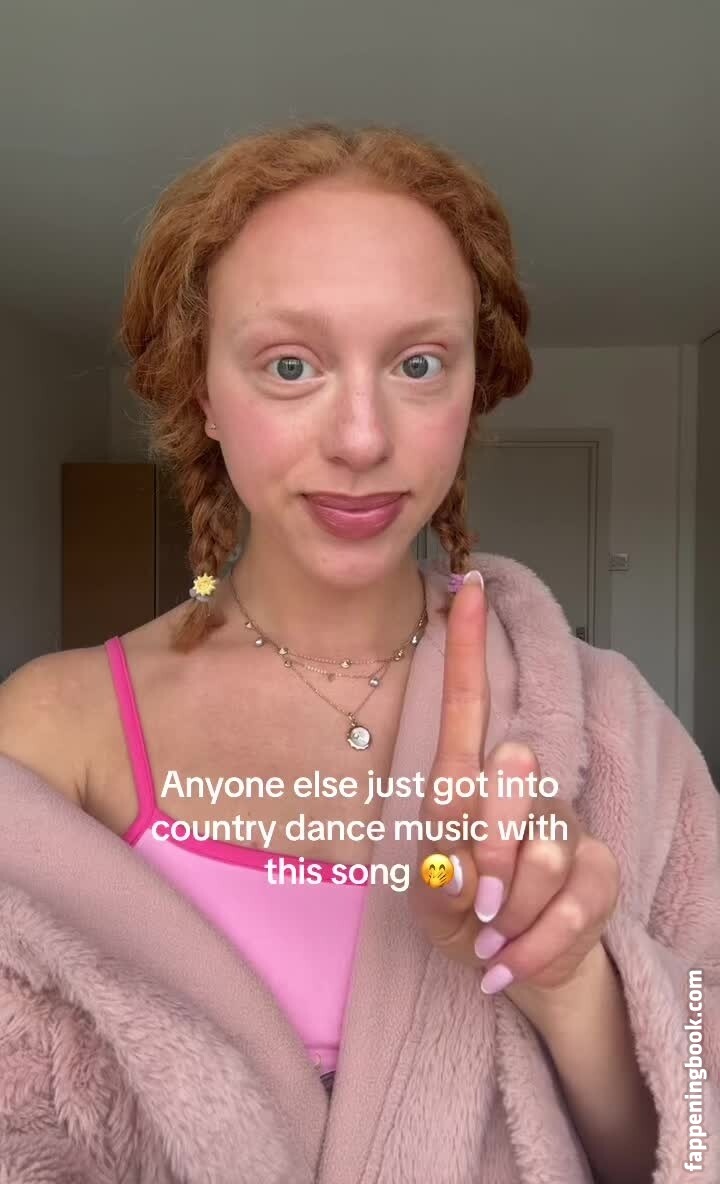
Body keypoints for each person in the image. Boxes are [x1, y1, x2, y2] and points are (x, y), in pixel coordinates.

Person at [0, 121, 718, 1184]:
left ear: (471, 388)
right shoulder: (55, 731)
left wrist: (572, 983)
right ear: (204, 393)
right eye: (290, 365)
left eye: (419, 363)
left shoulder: (613, 726)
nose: (363, 438)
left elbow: (696, 1124)